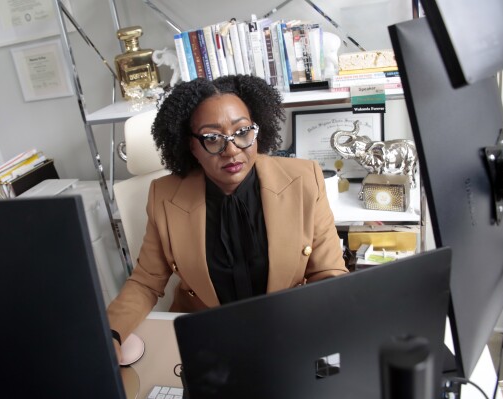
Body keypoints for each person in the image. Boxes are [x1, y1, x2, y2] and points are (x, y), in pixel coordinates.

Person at [107, 74, 348, 360]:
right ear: (191, 146)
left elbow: (328, 274)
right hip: (208, 340)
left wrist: (329, 352)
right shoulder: (164, 196)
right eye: (212, 138)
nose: (232, 150)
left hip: (289, 329)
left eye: (243, 131)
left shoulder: (305, 179)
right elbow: (146, 282)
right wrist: (109, 334)